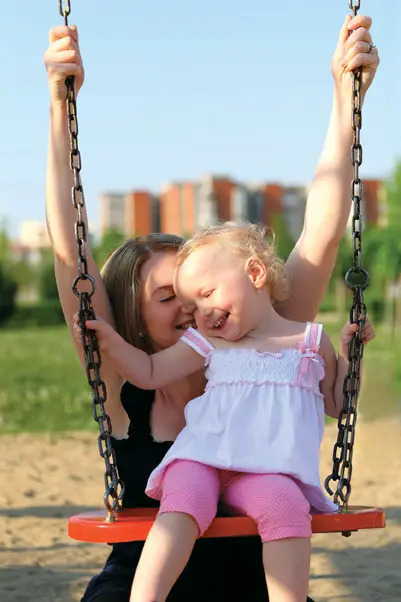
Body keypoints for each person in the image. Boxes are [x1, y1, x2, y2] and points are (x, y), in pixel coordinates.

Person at [43, 10, 380, 602]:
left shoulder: (253, 341)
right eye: (168, 297)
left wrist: (343, 93)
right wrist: (58, 106)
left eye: (201, 294)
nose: (194, 312)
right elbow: (71, 258)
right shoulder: (126, 381)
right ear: (130, 317)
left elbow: (323, 234)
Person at [85, 223, 375, 602]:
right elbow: (148, 372)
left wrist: (351, 357)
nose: (200, 313)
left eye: (206, 295)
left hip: (262, 471)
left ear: (255, 274)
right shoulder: (209, 341)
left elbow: (337, 405)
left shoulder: (311, 342)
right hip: (202, 459)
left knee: (286, 504)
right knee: (184, 499)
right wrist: (108, 341)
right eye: (191, 307)